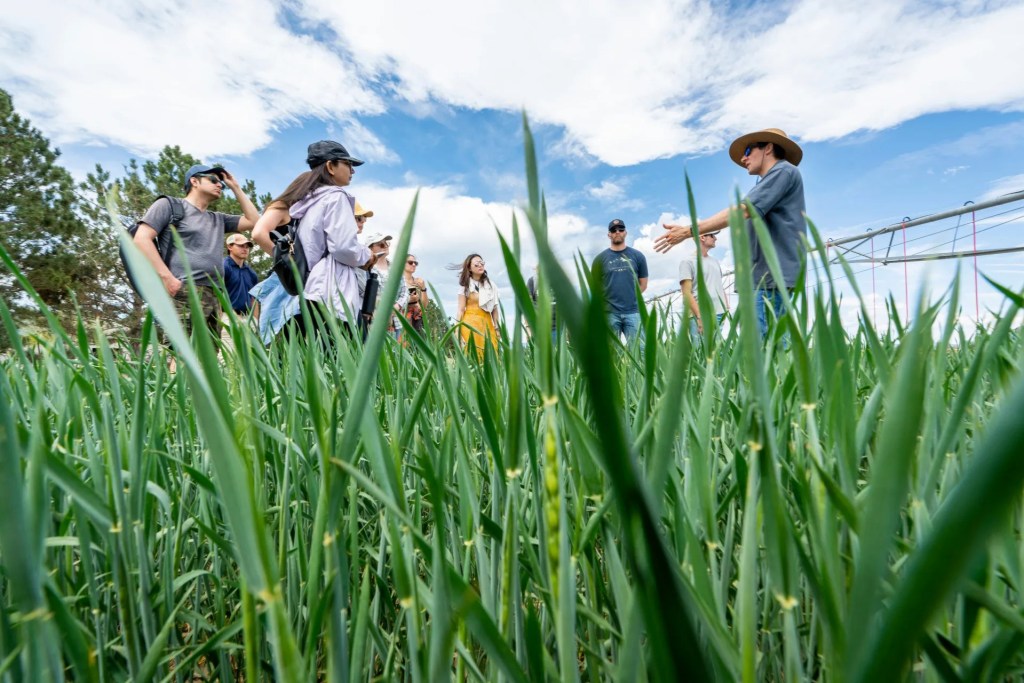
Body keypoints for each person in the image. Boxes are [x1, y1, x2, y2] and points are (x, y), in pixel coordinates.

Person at [654, 128, 805, 339]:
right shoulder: (766, 182)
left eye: (748, 150)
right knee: (763, 349)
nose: (743, 158)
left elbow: (743, 210)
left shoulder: (783, 171)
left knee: (766, 349)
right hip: (762, 277)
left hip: (771, 278)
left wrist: (689, 231)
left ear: (768, 148)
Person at [250, 140, 376, 340]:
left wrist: (285, 261)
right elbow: (343, 247)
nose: (353, 170)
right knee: (354, 358)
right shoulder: (336, 197)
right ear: (330, 166)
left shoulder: (306, 203)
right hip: (332, 291)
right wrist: (366, 254)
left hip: (311, 288)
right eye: (348, 164)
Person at [134, 164, 260, 336]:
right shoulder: (169, 206)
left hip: (215, 294)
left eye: (222, 184)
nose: (220, 185)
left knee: (207, 358)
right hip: (184, 289)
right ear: (194, 181)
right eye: (214, 180)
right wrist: (168, 278)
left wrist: (235, 187)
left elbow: (254, 221)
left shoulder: (218, 219)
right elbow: (141, 238)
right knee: (182, 354)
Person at [591, 219, 648, 347]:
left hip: (634, 311)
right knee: (612, 354)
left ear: (625, 233)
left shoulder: (638, 256)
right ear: (609, 234)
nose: (617, 232)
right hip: (609, 313)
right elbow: (595, 288)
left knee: (640, 351)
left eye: (620, 229)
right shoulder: (599, 260)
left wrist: (631, 298)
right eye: (613, 230)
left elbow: (643, 284)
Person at [679, 232, 728, 342]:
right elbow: (686, 293)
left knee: (718, 355)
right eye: (712, 236)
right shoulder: (687, 262)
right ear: (702, 237)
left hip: (720, 314)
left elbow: (718, 284)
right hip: (700, 315)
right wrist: (699, 317)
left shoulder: (715, 261)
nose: (715, 238)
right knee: (702, 355)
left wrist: (726, 306)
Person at [362, 231, 408, 338]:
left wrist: (397, 306)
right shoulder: (366, 268)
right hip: (373, 321)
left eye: (387, 244)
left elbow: (405, 292)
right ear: (370, 249)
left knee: (393, 353)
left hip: (395, 322)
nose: (385, 247)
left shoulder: (396, 268)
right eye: (381, 245)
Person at [455, 254, 499, 358]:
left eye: (482, 263)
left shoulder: (491, 285)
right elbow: (461, 310)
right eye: (476, 264)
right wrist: (457, 330)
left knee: (491, 357)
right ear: (469, 268)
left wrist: (497, 329)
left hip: (487, 325)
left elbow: (495, 309)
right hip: (470, 325)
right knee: (472, 356)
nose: (480, 265)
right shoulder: (465, 285)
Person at [223, 233, 258, 316]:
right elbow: (217, 295)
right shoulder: (223, 267)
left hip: (248, 318)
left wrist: (255, 321)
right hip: (227, 317)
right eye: (241, 246)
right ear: (229, 247)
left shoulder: (251, 273)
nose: (245, 249)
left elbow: (254, 299)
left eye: (247, 247)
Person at [526, 265, 557, 344]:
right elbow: (528, 305)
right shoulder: (532, 281)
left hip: (557, 328)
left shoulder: (558, 282)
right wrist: (528, 328)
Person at [403, 253, 429, 337]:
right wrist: (409, 300)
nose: (414, 264)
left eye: (415, 263)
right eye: (410, 262)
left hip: (417, 322)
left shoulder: (418, 282)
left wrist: (423, 288)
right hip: (402, 321)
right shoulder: (398, 283)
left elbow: (424, 306)